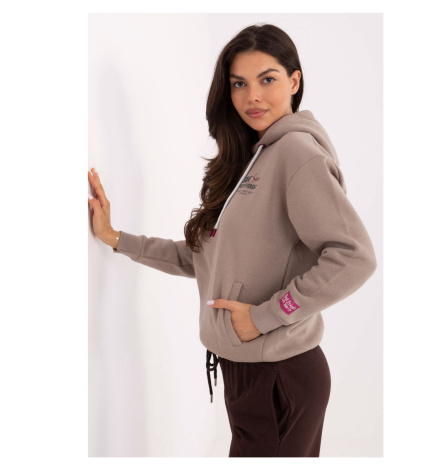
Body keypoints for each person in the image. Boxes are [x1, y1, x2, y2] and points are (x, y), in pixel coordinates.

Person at [88, 23, 377, 458]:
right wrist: (115, 238)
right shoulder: (249, 159)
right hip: (248, 370)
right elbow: (203, 259)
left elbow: (355, 257)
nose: (252, 96)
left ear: (294, 81)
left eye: (267, 79)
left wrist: (264, 316)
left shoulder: (297, 155)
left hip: (278, 373)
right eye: (239, 83)